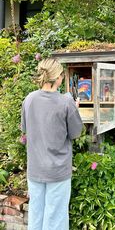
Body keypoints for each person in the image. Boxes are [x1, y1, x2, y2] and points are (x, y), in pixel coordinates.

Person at [21, 58, 83, 230]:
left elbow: (25, 128)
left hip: (35, 168)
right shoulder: (66, 102)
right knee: (55, 217)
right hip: (58, 169)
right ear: (58, 78)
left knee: (36, 214)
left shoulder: (29, 99)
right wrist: (75, 109)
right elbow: (76, 133)